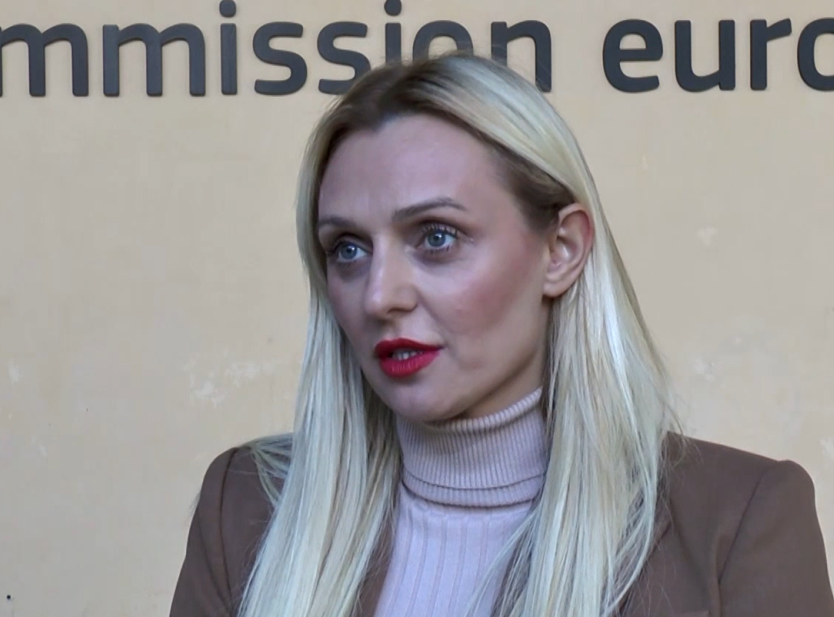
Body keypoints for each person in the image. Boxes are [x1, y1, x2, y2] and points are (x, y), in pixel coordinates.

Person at [169, 51, 834, 617]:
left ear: (561, 250)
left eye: (436, 237)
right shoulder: (245, 506)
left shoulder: (737, 522)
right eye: (347, 248)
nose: (379, 295)